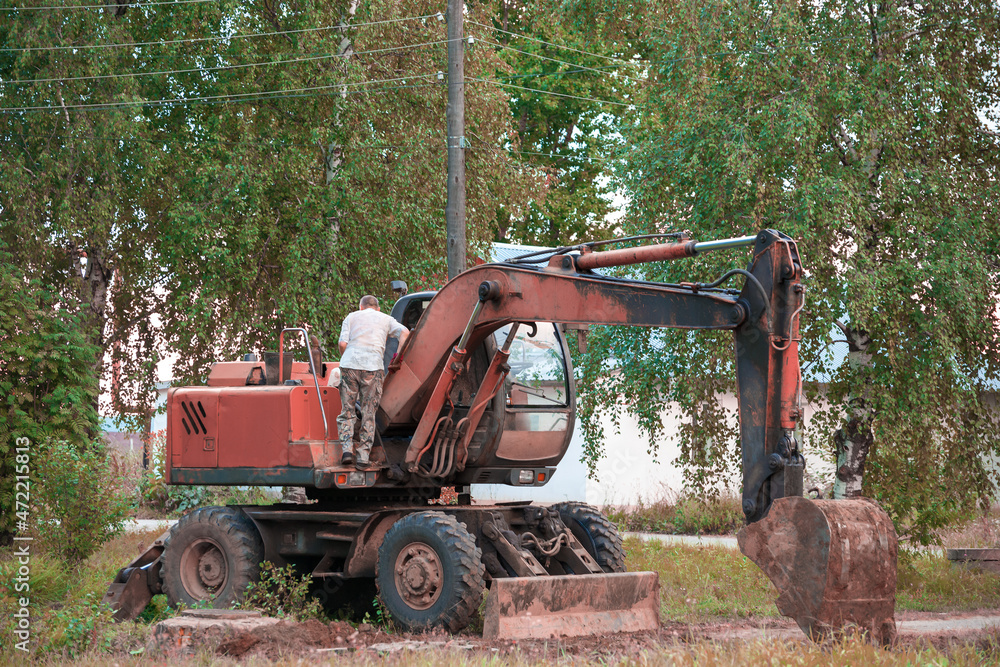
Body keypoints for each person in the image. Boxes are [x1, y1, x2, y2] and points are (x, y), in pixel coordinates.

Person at [336, 295, 408, 470]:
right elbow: (405, 333)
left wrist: (347, 358)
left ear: (360, 307)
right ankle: (363, 456)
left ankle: (347, 451)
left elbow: (343, 344)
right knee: (369, 412)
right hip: (373, 368)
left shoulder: (351, 317)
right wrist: (397, 358)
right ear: (378, 308)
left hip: (349, 365)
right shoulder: (385, 319)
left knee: (347, 410)